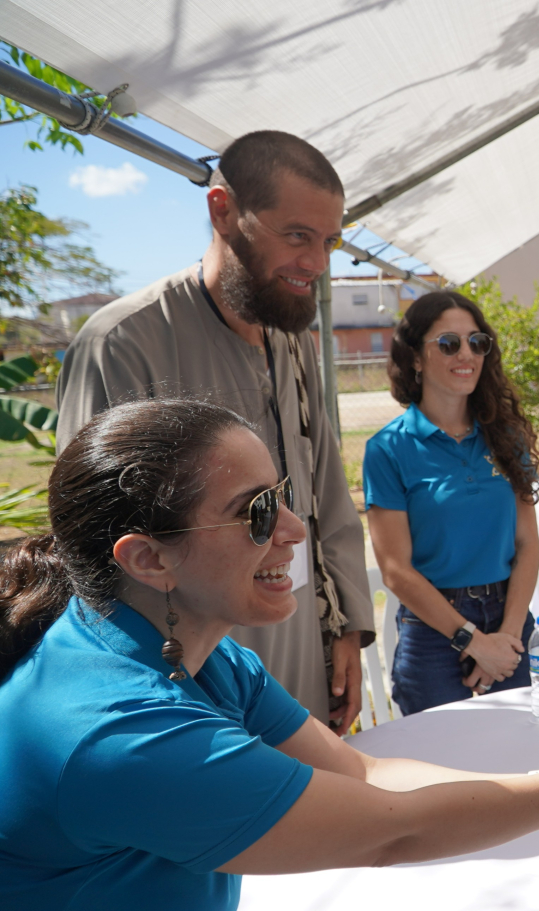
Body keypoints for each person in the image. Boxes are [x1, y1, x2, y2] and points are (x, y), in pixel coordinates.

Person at [0, 398, 539, 911]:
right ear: (148, 558)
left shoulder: (185, 647)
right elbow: (392, 832)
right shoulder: (123, 732)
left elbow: (363, 768)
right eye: (256, 513)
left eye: (285, 497)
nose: (296, 530)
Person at [55, 130, 372, 731]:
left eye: (329, 241)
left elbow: (324, 491)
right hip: (187, 680)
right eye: (297, 235)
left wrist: (347, 626)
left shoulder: (294, 342)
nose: (317, 263)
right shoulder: (123, 343)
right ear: (223, 210)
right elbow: (92, 553)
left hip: (300, 638)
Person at [365, 292, 539, 714]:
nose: (467, 354)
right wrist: (474, 643)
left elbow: (528, 545)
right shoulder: (388, 449)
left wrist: (507, 638)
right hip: (432, 630)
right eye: (449, 343)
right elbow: (395, 571)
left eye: (477, 342)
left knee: (526, 757)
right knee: (442, 767)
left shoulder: (506, 436)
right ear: (416, 358)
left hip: (510, 617)